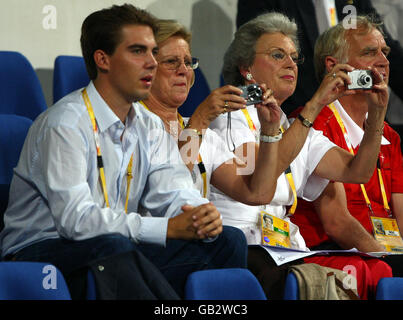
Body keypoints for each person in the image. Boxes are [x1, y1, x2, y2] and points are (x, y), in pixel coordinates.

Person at [0, 4, 247, 299]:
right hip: (41, 251)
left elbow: (173, 189)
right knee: (115, 248)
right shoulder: (64, 124)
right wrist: (166, 228)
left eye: (154, 52)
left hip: (115, 247)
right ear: (103, 59)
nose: (152, 63)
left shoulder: (148, 125)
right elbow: (76, 221)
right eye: (138, 51)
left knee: (228, 240)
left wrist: (198, 215)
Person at [209, 12, 392, 300]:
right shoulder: (231, 117)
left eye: (294, 57)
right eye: (278, 55)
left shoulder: (290, 125)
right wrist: (316, 103)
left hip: (284, 251)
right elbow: (261, 182)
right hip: (243, 247)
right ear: (247, 68)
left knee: (365, 271)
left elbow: (358, 171)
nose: (290, 64)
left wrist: (377, 115)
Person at [290, 15, 403, 279]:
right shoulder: (312, 125)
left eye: (384, 52)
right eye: (369, 52)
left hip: (384, 254)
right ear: (334, 65)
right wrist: (392, 265)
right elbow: (337, 223)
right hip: (334, 251)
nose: (384, 62)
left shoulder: (389, 136)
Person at [140, 18, 292, 207]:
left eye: (188, 62)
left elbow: (256, 194)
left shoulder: (205, 136)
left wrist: (269, 132)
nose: (183, 71)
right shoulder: (134, 125)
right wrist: (201, 118)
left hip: (197, 233)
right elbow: (168, 189)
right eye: (171, 62)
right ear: (146, 69)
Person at [236, 0, 403, 116]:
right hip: (295, 115)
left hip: (356, 115)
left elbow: (389, 54)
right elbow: (258, 58)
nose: (383, 60)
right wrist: (312, 112)